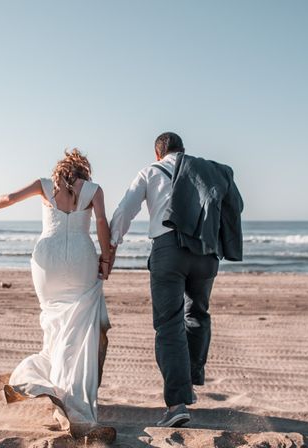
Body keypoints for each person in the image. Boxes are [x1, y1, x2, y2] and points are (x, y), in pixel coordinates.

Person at [0, 149, 115, 442]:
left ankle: (52, 387)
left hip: (47, 259)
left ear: (61, 169)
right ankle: (71, 397)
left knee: (53, 322)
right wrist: (106, 257)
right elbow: (101, 223)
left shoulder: (43, 184)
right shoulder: (93, 190)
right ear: (83, 171)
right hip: (80, 257)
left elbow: (10, 198)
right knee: (78, 329)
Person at [109, 132, 243, 427]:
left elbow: (125, 211)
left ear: (158, 154)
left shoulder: (150, 171)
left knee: (169, 325)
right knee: (197, 314)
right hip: (206, 252)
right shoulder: (205, 170)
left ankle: (177, 403)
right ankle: (191, 378)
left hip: (169, 251)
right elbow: (234, 206)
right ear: (183, 151)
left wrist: (112, 244)